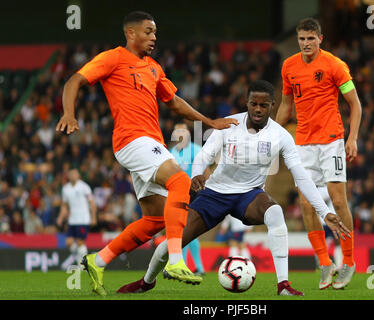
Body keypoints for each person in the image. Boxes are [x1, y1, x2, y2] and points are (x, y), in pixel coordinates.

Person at [56, 11, 237, 296]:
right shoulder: (113, 57)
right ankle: (176, 260)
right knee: (179, 181)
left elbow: (174, 102)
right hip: (131, 140)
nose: (154, 38)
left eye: (155, 33)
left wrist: (210, 122)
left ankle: (98, 260)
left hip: (151, 142)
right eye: (148, 32)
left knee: (154, 220)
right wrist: (69, 113)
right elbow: (73, 81)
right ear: (131, 33)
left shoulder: (153, 67)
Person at [116, 80, 350, 296]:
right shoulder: (229, 125)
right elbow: (203, 156)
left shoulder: (280, 136)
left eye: (263, 105)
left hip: (249, 196)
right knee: (172, 243)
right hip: (215, 194)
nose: (258, 109)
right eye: (254, 104)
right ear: (247, 103)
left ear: (272, 105)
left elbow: (301, 177)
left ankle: (283, 284)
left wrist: (324, 212)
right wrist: (197, 173)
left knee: (275, 212)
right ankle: (146, 281)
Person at [275, 18, 362, 290]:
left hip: (332, 141)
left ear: (320, 39)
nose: (305, 43)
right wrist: (274, 134)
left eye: (311, 38)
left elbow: (355, 105)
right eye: (302, 39)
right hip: (302, 143)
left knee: (338, 201)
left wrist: (352, 137)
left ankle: (348, 261)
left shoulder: (334, 65)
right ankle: (324, 262)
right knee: (306, 204)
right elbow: (286, 105)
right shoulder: (289, 66)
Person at [170, 122, 205, 276]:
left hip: (195, 192)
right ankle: (197, 267)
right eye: (177, 131)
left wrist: (206, 188)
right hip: (179, 193)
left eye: (182, 130)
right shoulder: (172, 152)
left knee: (186, 229)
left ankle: (186, 265)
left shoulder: (196, 150)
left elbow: (207, 169)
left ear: (188, 133)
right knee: (184, 229)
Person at [56, 169, 97, 266]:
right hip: (72, 220)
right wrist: (60, 217)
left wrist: (93, 217)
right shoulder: (65, 189)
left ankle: (82, 265)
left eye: (75, 174)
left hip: (83, 219)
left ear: (78, 175)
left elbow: (92, 202)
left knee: (80, 242)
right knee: (69, 242)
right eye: (71, 174)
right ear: (68, 176)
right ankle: (83, 257)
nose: (73, 176)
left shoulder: (84, 187)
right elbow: (64, 205)